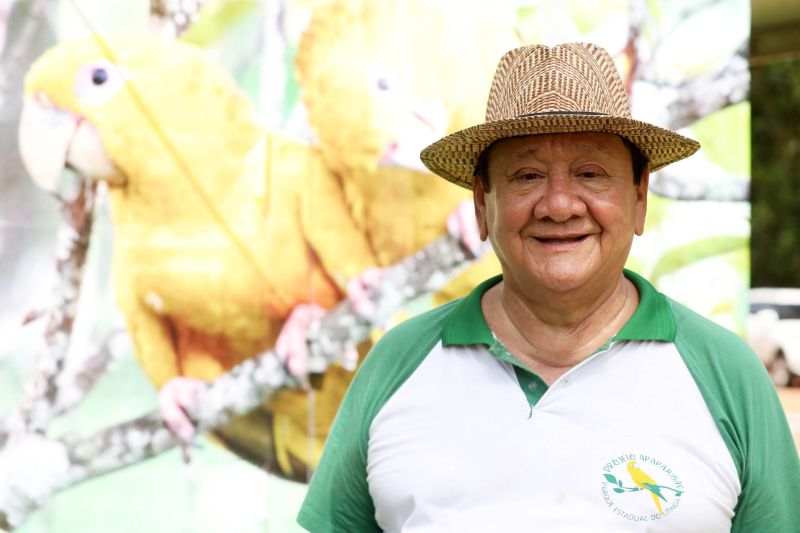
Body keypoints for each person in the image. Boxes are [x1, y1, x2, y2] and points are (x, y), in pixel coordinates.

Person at [296, 42, 800, 532]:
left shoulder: (725, 373)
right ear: (481, 205)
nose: (559, 204)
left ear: (640, 195)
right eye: (527, 175)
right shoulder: (399, 363)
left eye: (590, 173)